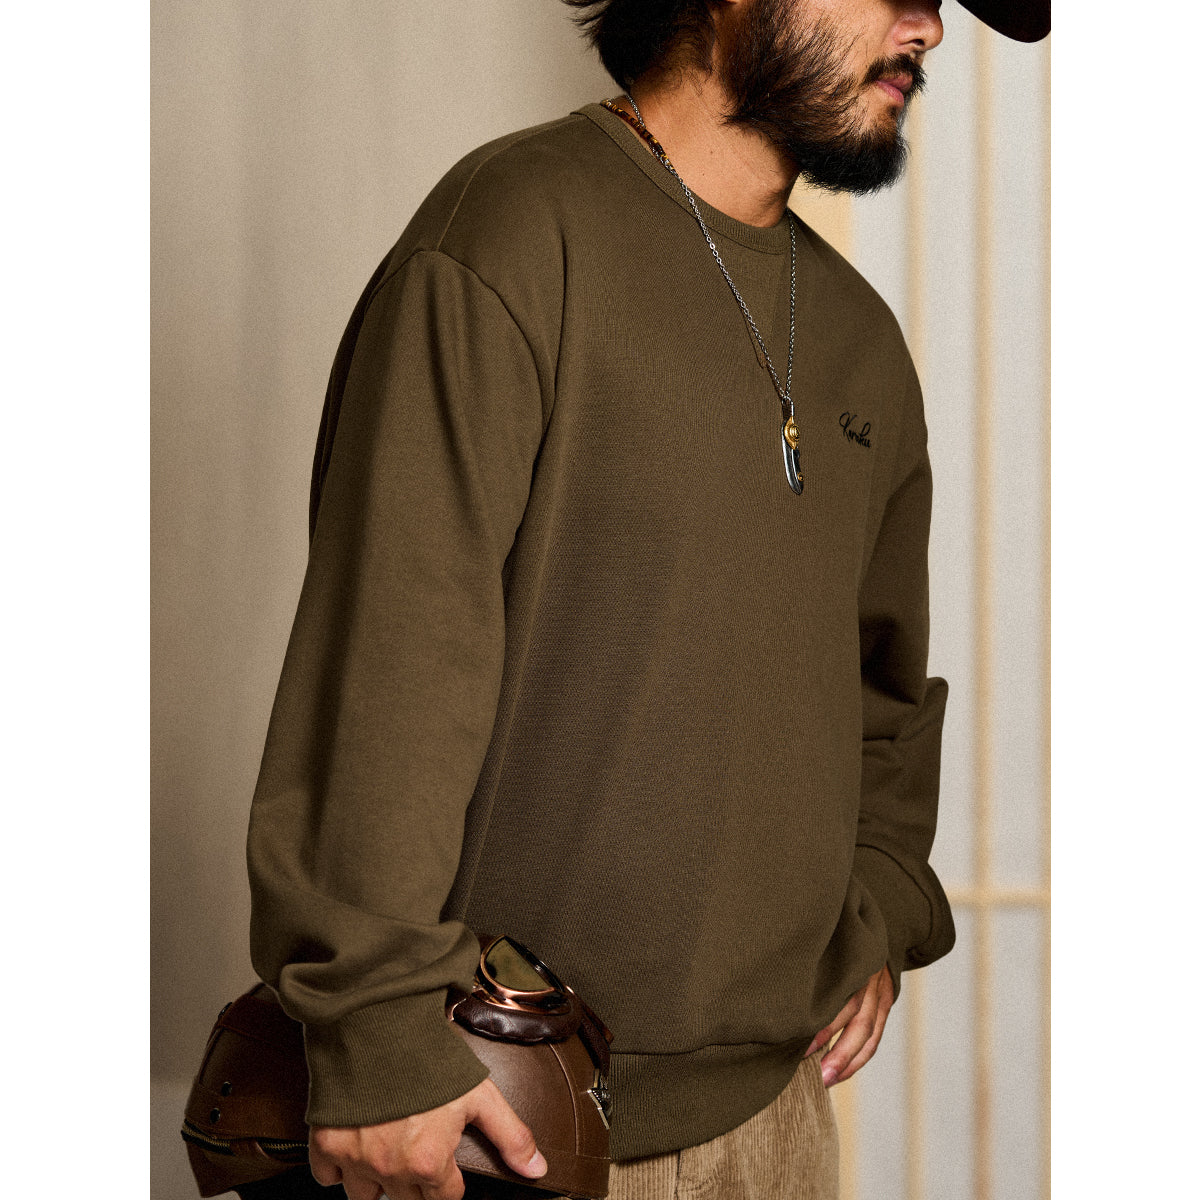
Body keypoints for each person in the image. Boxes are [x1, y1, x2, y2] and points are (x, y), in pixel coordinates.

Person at [246, 1, 1050, 1198]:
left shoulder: (862, 340)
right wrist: (375, 1034)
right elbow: (390, 664)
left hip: (781, 1119)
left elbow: (881, 694)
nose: (927, 28)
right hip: (498, 1119)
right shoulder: (512, 237)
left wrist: (879, 906)